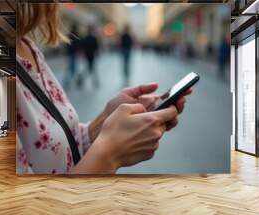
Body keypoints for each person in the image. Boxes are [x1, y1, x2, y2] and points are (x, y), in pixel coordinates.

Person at [16, 3, 192, 174]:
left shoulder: (27, 46)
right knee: (95, 69)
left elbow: (62, 148)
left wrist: (104, 122)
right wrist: (111, 153)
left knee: (94, 69)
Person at [63, 23, 81, 89]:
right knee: (74, 67)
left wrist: (65, 53)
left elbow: (66, 45)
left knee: (70, 67)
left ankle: (68, 81)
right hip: (74, 53)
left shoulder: (69, 35)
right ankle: (75, 80)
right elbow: (79, 45)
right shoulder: (77, 35)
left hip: (70, 53)